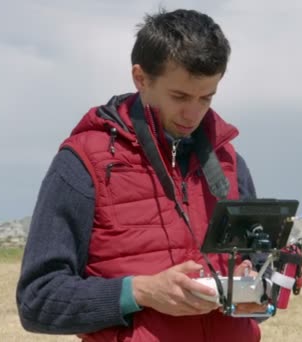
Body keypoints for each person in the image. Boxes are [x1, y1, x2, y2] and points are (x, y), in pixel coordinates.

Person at [17, 8, 265, 342]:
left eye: (206, 97)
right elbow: (37, 301)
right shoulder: (82, 162)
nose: (193, 113)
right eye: (179, 96)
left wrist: (257, 276)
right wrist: (141, 292)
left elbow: (258, 262)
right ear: (141, 78)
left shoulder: (229, 162)